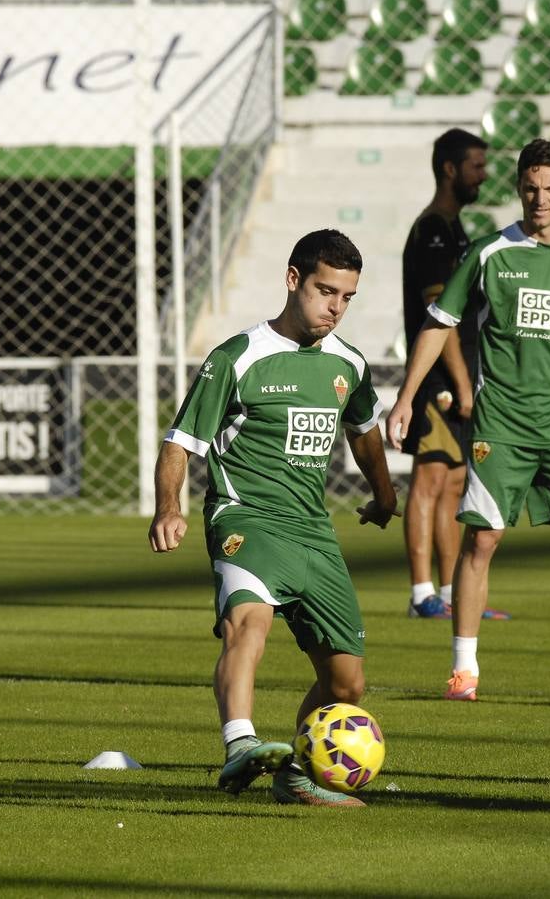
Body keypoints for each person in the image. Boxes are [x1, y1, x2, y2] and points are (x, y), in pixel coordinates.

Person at [386, 139, 550, 704]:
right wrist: (407, 395)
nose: (540, 199)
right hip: (501, 424)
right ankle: (464, 670)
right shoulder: (487, 254)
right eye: (531, 188)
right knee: (481, 541)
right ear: (519, 188)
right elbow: (439, 324)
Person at [150, 229, 397, 807]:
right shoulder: (237, 357)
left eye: (346, 297)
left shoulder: (348, 363)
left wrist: (384, 496)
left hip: (313, 531)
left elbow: (364, 432)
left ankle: (296, 771)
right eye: (324, 291)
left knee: (347, 683)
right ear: (294, 280)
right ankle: (240, 743)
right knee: (248, 627)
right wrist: (170, 507)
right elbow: (180, 443)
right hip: (246, 519)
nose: (334, 307)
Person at [398, 128, 506, 621]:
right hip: (439, 381)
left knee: (453, 481)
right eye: (476, 166)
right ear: (450, 169)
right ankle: (422, 592)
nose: (483, 174)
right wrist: (462, 383)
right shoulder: (433, 231)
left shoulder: (454, 228)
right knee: (430, 478)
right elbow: (440, 315)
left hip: (461, 375)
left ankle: (448, 589)